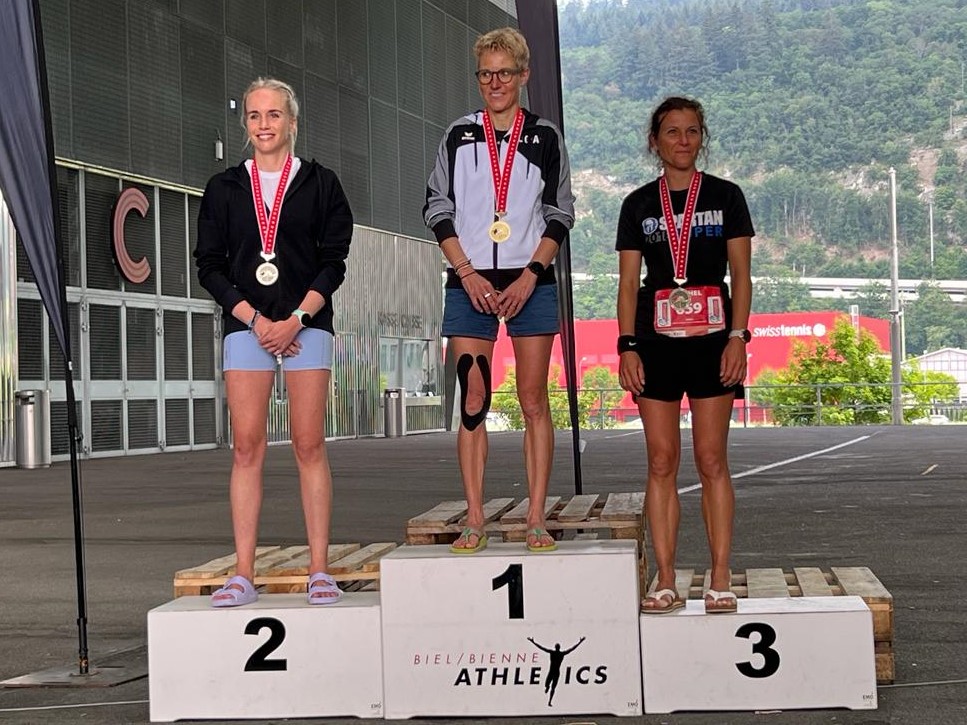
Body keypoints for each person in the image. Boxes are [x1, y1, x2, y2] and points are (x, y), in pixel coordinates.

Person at [195, 77, 353, 607]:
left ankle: (320, 570)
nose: (264, 124)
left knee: (309, 445)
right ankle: (243, 573)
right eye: (255, 116)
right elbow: (210, 268)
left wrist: (297, 318)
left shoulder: (320, 183)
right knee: (247, 448)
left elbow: (335, 260)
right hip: (247, 328)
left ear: (292, 121)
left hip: (306, 326)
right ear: (246, 124)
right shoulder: (223, 189)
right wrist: (256, 320)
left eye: (274, 115)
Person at [424, 27, 575, 554]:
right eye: (486, 73)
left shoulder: (545, 137)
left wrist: (532, 274)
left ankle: (536, 516)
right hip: (470, 281)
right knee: (473, 398)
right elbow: (435, 207)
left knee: (534, 400)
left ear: (523, 75)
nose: (495, 82)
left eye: (504, 73)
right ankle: (474, 516)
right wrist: (465, 272)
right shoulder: (459, 134)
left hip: (529, 280)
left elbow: (560, 213)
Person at [615, 96, 753, 614]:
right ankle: (666, 578)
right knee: (661, 459)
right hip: (654, 343)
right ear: (655, 141)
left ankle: (720, 576)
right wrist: (626, 344)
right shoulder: (638, 204)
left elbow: (740, 275)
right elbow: (629, 283)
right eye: (671, 132)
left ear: (702, 138)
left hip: (715, 342)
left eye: (692, 132)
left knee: (713, 458)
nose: (682, 141)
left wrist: (739, 335)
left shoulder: (727, 196)